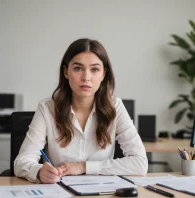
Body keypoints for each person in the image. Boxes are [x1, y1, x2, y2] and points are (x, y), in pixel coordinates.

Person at [14, 38, 148, 183]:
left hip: (102, 191)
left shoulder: (115, 106)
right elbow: (21, 162)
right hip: (59, 191)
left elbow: (140, 163)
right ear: (66, 72)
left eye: (95, 69)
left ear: (103, 74)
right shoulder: (47, 108)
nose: (86, 78)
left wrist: (84, 167)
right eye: (78, 68)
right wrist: (39, 172)